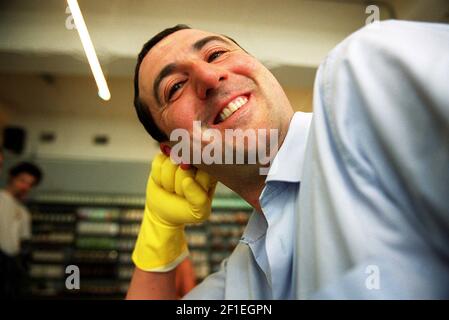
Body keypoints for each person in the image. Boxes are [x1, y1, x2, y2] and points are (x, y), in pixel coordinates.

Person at [127, 20, 449, 299]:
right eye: (175, 87)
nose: (210, 77)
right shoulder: (244, 277)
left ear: (257, 64)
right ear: (175, 153)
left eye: (216, 53)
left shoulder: (363, 80)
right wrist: (158, 235)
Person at [0, 161, 43, 298]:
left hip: (11, 263)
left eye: (30, 184)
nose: (25, 187)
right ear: (12, 177)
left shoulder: (24, 212)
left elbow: (23, 241)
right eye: (22, 180)